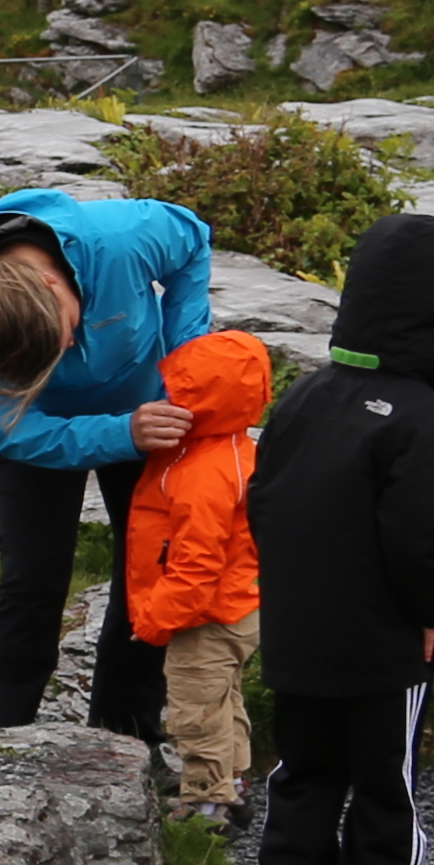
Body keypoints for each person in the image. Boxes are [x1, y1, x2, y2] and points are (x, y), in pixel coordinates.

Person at [250, 212, 434, 865]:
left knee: (305, 764)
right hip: (385, 648)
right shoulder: (422, 416)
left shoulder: (304, 396)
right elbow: (419, 534)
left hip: (298, 631)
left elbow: (263, 501)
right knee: (387, 779)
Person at [0, 183, 219, 737]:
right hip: (54, 432)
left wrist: (187, 356)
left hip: (145, 408)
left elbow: (194, 238)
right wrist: (120, 433)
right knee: (32, 578)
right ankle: (0, 734)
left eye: (64, 338)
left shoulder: (124, 238)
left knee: (147, 575)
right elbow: (12, 432)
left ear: (52, 283)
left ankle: (125, 733)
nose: (67, 354)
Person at [123, 328, 273, 820]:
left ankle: (208, 805)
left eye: (179, 391)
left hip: (205, 615)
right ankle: (232, 784)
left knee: (196, 710)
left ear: (206, 402)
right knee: (224, 700)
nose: (165, 397)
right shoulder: (235, 450)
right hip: (238, 605)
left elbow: (197, 562)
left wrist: (153, 618)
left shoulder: (205, 472)